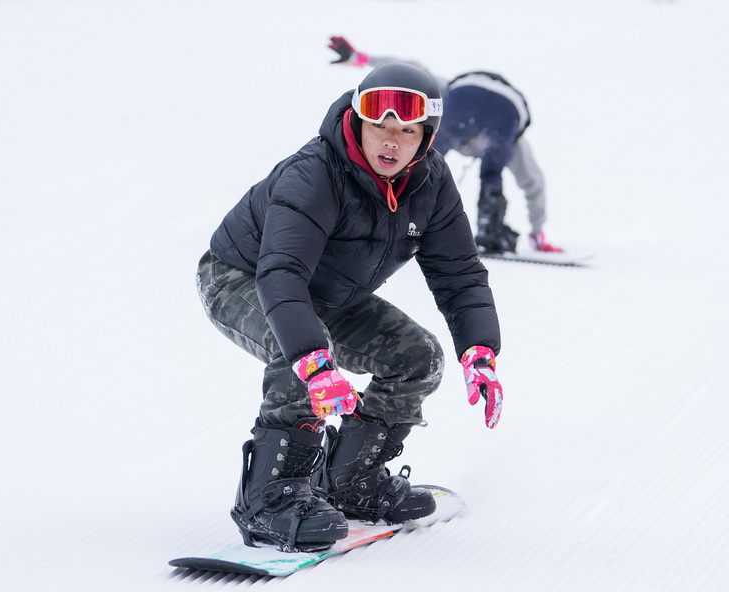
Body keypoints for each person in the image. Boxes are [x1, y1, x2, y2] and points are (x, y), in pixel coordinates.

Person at [195, 63, 504, 553]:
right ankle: (270, 500)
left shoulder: (431, 183)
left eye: (407, 131)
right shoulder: (314, 173)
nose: (391, 141)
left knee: (417, 357)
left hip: (327, 294)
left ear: (426, 138)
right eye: (380, 125)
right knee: (301, 354)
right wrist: (316, 362)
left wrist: (479, 350)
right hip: (240, 278)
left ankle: (351, 481)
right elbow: (281, 274)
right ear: (358, 122)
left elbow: (459, 273)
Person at [328, 35, 564, 254]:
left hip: (464, 94)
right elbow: (534, 182)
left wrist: (359, 58)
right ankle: (489, 231)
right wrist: (537, 233)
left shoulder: (447, 89)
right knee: (492, 173)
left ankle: (396, 220)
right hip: (507, 109)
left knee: (422, 160)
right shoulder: (513, 140)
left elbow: (413, 70)